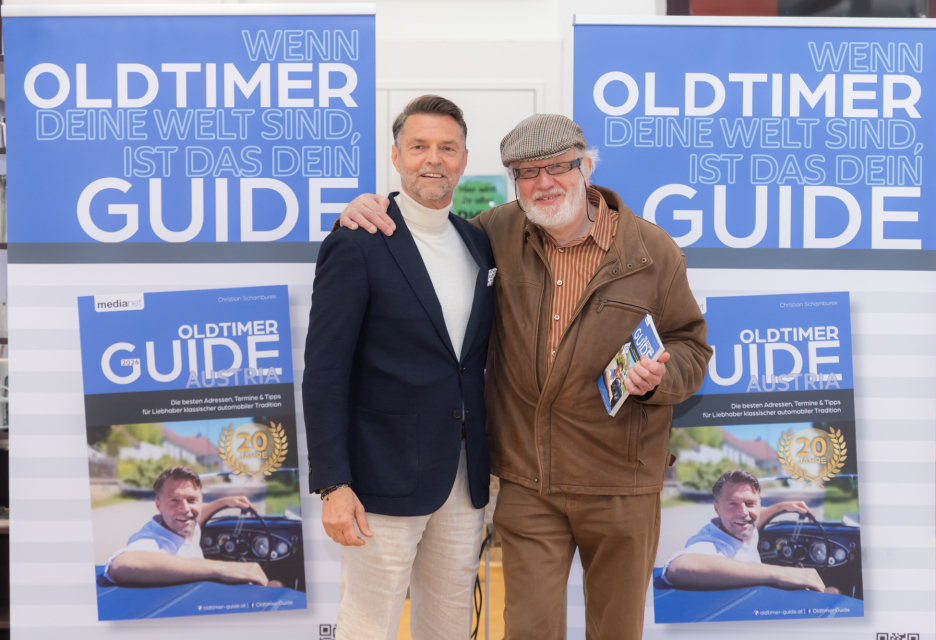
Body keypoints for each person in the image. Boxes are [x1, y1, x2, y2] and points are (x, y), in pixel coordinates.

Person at [338, 113, 713, 639]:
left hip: (621, 482)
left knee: (617, 630)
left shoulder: (652, 250)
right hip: (528, 483)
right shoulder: (493, 232)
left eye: (557, 167)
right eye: (526, 172)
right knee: (528, 631)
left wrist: (659, 379)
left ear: (586, 167)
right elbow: (423, 233)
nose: (543, 183)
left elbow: (691, 345)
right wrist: (367, 208)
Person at [302, 95, 495, 639]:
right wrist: (333, 483)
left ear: (463, 159)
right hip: (380, 478)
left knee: (450, 625)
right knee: (369, 624)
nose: (433, 159)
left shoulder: (477, 243)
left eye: (447, 148)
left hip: (463, 478)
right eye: (418, 146)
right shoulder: (357, 241)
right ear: (396, 155)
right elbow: (325, 371)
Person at [662, 469, 833, 593]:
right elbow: (679, 567)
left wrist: (781, 506)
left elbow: (754, 520)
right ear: (717, 509)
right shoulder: (711, 544)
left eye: (750, 504)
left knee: (833, 591)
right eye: (733, 504)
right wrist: (781, 573)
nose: (744, 513)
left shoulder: (743, 527)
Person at [105, 466, 274, 587]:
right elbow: (121, 565)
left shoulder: (185, 523)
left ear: (200, 500)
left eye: (192, 500)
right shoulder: (153, 541)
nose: (185, 509)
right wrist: (224, 568)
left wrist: (224, 502)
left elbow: (197, 517)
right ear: (158, 506)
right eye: (174, 501)